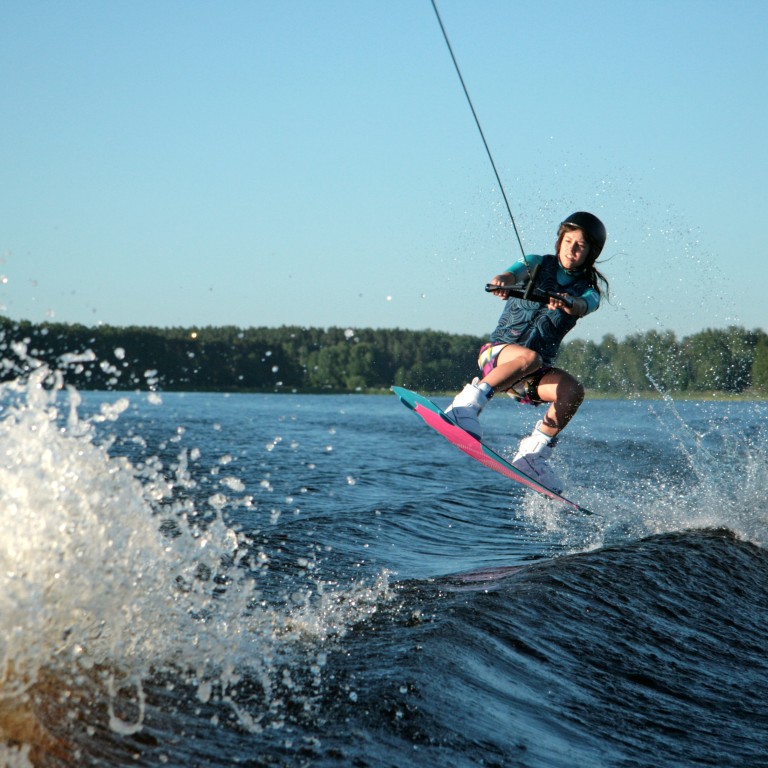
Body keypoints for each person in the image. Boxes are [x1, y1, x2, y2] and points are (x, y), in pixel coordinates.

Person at [444, 211, 609, 493]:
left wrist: (571, 303)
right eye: (567, 241)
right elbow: (510, 273)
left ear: (591, 253)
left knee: (573, 391)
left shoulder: (590, 292)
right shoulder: (536, 263)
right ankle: (464, 407)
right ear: (559, 241)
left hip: (531, 376)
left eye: (580, 245)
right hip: (497, 357)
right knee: (528, 358)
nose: (571, 249)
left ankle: (533, 455)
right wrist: (503, 282)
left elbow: (585, 305)